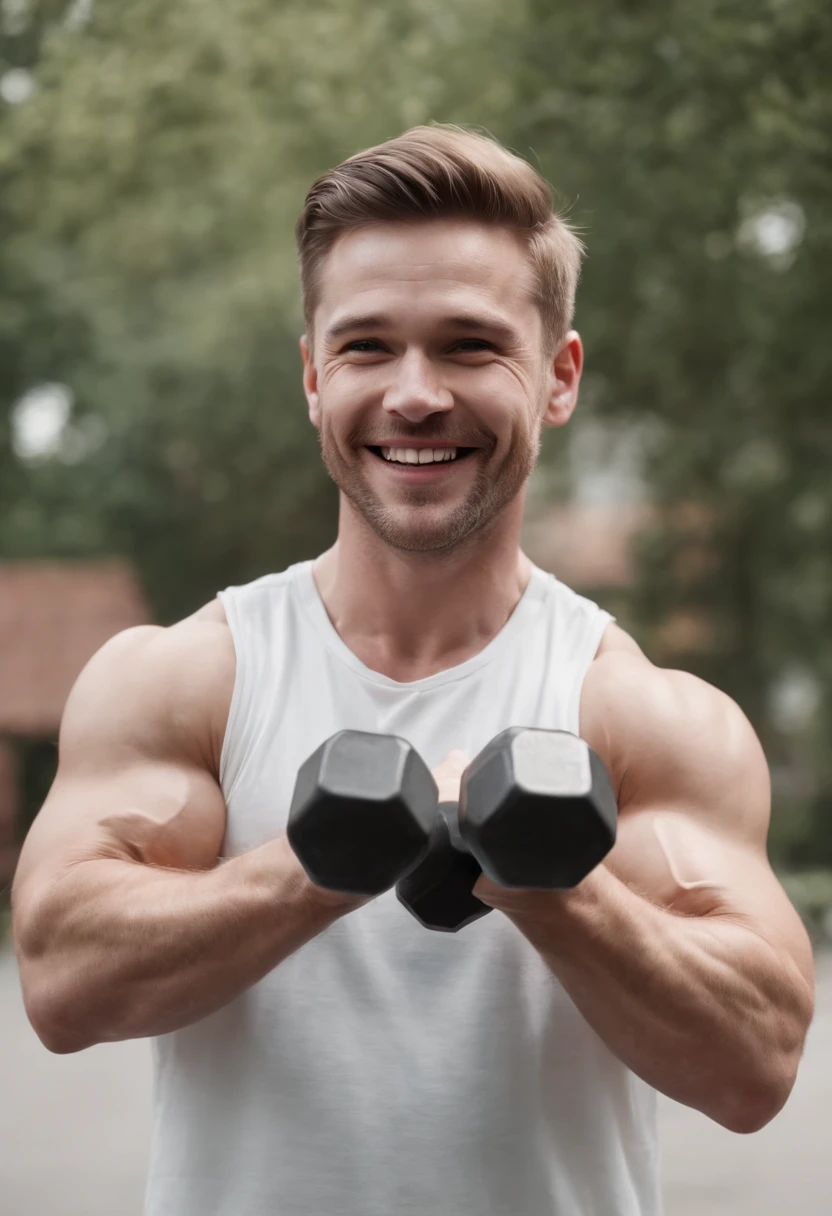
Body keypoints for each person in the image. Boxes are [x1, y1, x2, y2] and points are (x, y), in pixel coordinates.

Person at [12, 126, 814, 1216]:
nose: (415, 394)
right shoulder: (187, 679)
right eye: (366, 347)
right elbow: (62, 981)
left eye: (470, 346)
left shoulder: (641, 714)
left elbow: (755, 1061)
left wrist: (551, 885)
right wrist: (314, 867)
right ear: (310, 376)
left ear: (557, 377)